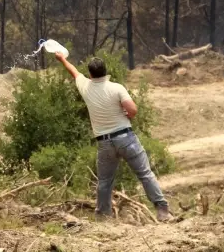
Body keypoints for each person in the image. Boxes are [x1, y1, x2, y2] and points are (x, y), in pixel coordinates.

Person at [54, 52, 172, 222]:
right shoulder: (116, 88)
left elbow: (73, 71)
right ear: (105, 71)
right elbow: (132, 110)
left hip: (104, 143)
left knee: (105, 182)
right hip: (125, 138)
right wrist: (126, 113)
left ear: (90, 74)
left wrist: (62, 59)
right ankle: (162, 210)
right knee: (145, 174)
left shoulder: (85, 87)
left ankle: (103, 217)